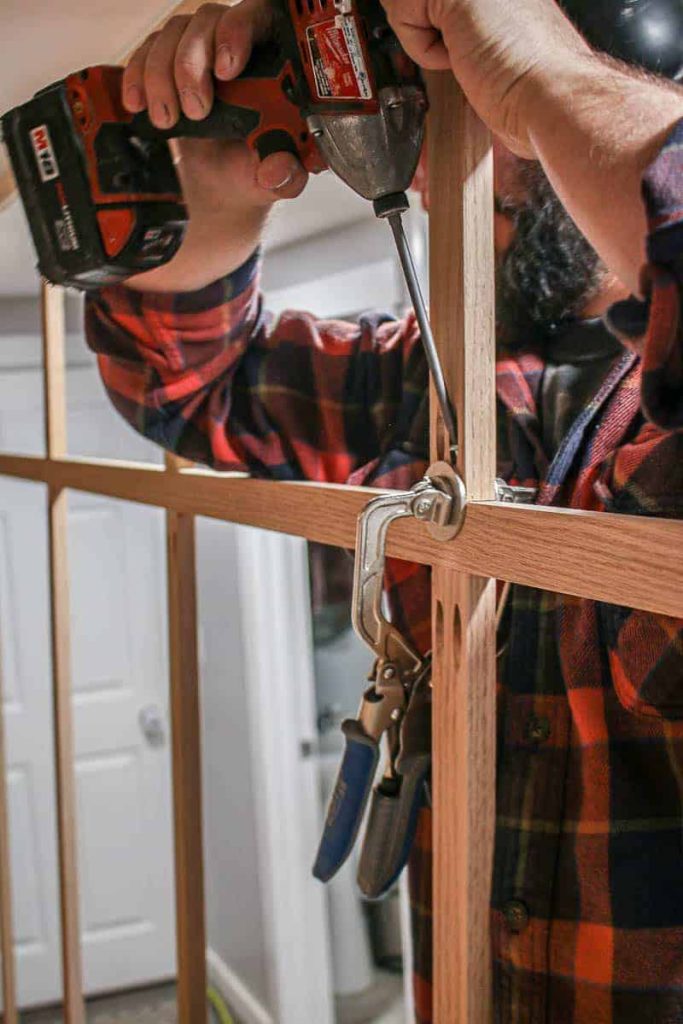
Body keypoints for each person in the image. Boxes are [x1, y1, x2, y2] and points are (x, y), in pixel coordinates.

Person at [84, 0, 683, 1019]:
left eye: (498, 134)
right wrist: (222, 189)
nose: (419, 171)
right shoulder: (437, 375)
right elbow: (188, 386)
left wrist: (540, 74)